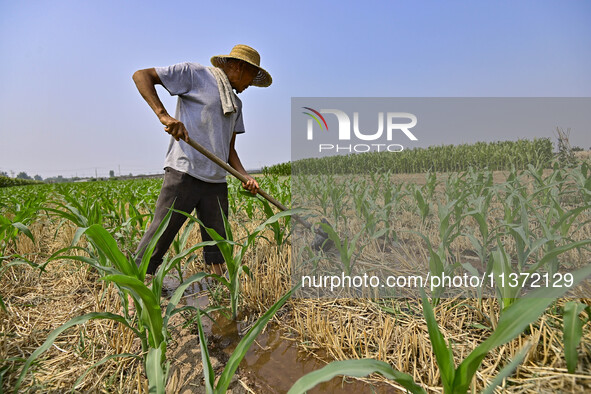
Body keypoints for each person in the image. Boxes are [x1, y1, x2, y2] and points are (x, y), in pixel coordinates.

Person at [132, 44, 272, 277]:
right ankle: (135, 287)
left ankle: (220, 295)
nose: (250, 85)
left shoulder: (236, 105)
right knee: (159, 236)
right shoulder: (195, 75)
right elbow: (141, 76)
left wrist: (245, 176)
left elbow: (229, 149)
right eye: (251, 77)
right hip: (184, 172)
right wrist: (164, 115)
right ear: (238, 66)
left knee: (218, 247)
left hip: (216, 182)